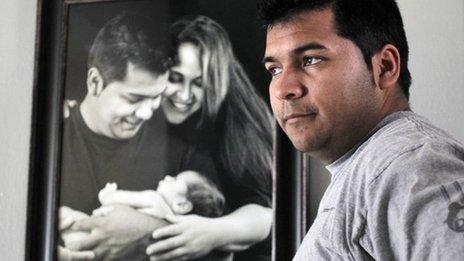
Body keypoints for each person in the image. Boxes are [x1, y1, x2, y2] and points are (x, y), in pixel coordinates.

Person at [259, 0, 464, 260]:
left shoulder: (409, 165)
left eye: (310, 59)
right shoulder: (371, 171)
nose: (283, 89)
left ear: (384, 67)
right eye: (274, 69)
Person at [59, 13, 219, 260]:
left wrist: (146, 229)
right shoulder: (48, 142)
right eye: (134, 99)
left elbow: (220, 251)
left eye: (156, 96)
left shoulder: (184, 159)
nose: (146, 113)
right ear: (94, 82)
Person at [146, 16, 274, 261]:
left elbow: (266, 215)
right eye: (175, 78)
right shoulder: (148, 104)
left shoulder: (239, 124)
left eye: (198, 84)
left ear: (214, 83)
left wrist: (211, 233)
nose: (183, 95)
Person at [62, 171, 225, 251]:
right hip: (111, 249)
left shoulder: (153, 199)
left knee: (64, 214)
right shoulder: (170, 231)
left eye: (175, 180)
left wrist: (107, 193)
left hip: (92, 235)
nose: (168, 177)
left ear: (182, 205)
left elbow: (110, 200)